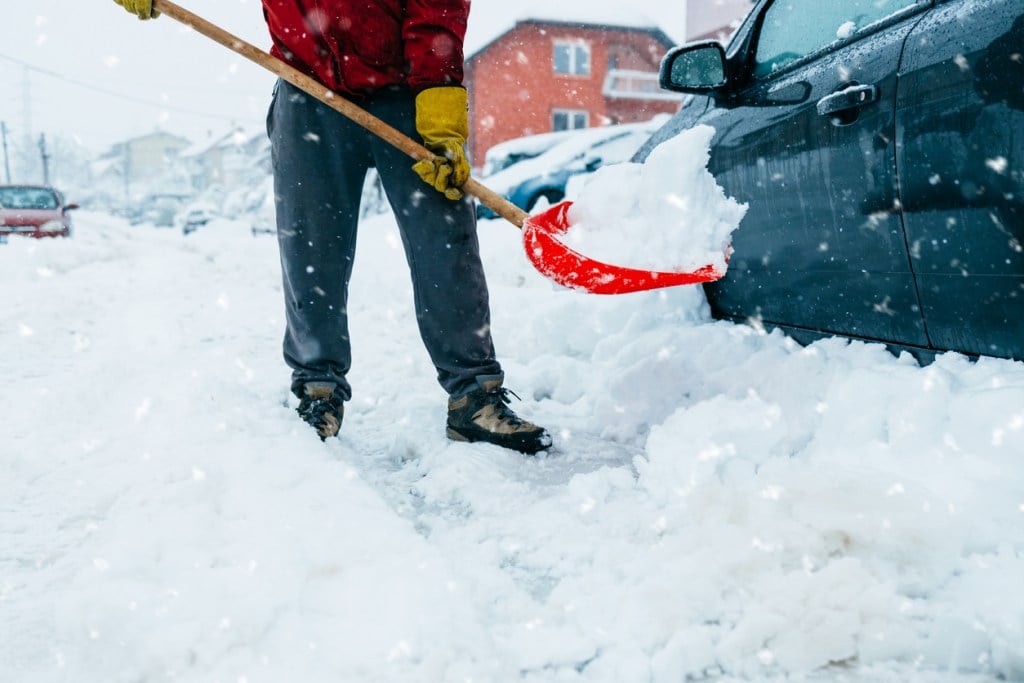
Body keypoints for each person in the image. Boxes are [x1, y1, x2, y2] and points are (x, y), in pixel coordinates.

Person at [112, 0, 552, 455]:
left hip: (410, 90)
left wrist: (438, 95)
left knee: (444, 243)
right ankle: (317, 391)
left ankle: (474, 397)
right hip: (308, 86)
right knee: (311, 248)